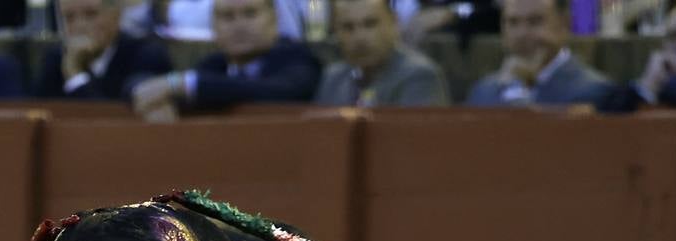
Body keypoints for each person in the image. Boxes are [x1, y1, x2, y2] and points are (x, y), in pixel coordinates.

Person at [130, 0, 320, 121]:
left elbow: (277, 90)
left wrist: (178, 84)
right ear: (214, 26)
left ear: (274, 20)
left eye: (250, 13)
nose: (239, 26)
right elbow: (138, 81)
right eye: (227, 17)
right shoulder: (216, 64)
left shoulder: (297, 57)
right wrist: (153, 97)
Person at [465, 0, 611, 106]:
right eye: (513, 22)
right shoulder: (484, 92)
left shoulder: (595, 92)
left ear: (564, 24)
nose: (522, 34)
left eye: (535, 21)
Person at [313, 0, 449, 106]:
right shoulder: (333, 78)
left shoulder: (420, 76)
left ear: (394, 23)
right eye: (348, 27)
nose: (360, 37)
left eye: (370, 24)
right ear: (336, 32)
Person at [35, 0, 172, 99]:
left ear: (116, 15)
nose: (80, 26)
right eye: (69, 17)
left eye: (91, 15)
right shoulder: (55, 58)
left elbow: (108, 121)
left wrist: (75, 76)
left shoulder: (147, 57)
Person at [600, 2, 676, 111]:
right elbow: (607, 118)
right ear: (664, 44)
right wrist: (647, 86)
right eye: (675, 36)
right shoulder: (658, 86)